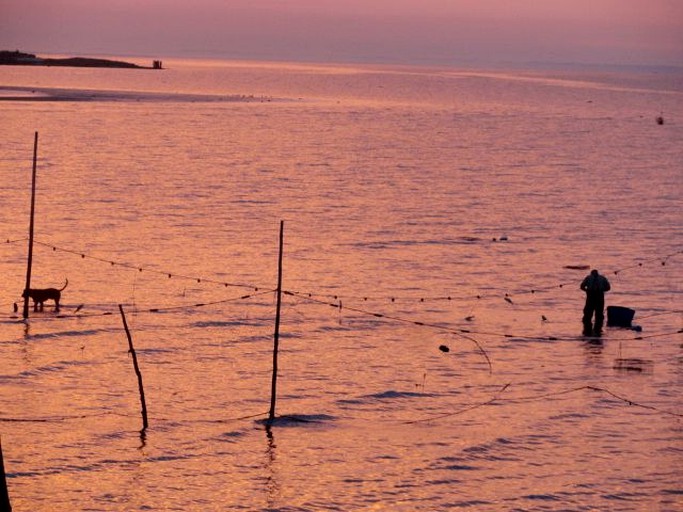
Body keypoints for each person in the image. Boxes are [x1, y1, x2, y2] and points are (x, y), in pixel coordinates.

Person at [580, 269, 611, 335]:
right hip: (599, 295)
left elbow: (582, 286)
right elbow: (608, 288)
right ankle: (597, 329)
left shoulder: (588, 277)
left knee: (588, 313)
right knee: (599, 313)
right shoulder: (602, 278)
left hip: (591, 295)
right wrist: (602, 290)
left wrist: (587, 291)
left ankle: (588, 329)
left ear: (591, 273)